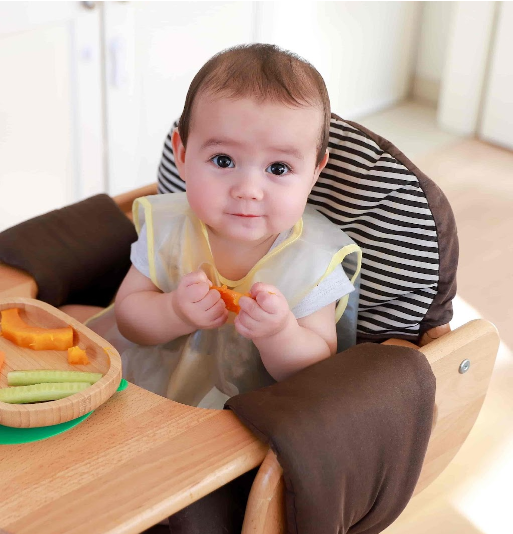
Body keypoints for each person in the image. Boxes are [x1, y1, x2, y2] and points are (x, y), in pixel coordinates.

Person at [86, 43, 361, 410]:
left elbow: (315, 366)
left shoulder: (312, 262)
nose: (248, 190)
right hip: (146, 385)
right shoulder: (167, 228)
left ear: (314, 172)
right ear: (182, 156)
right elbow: (129, 315)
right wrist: (173, 312)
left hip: (242, 413)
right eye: (223, 160)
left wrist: (280, 334)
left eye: (278, 168)